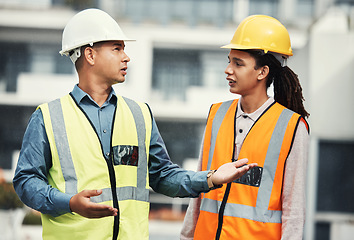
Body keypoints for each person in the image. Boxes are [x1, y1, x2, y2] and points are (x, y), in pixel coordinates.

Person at [12, 8, 257, 240]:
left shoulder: (140, 114)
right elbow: (26, 182)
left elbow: (161, 175)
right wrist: (69, 203)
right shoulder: (47, 117)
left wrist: (211, 178)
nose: (126, 57)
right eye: (117, 49)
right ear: (90, 54)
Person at [180, 15, 310, 240]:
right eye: (229, 61)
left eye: (238, 63)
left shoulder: (292, 127)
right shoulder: (217, 115)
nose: (228, 70)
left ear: (262, 72)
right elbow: (199, 192)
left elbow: (293, 210)